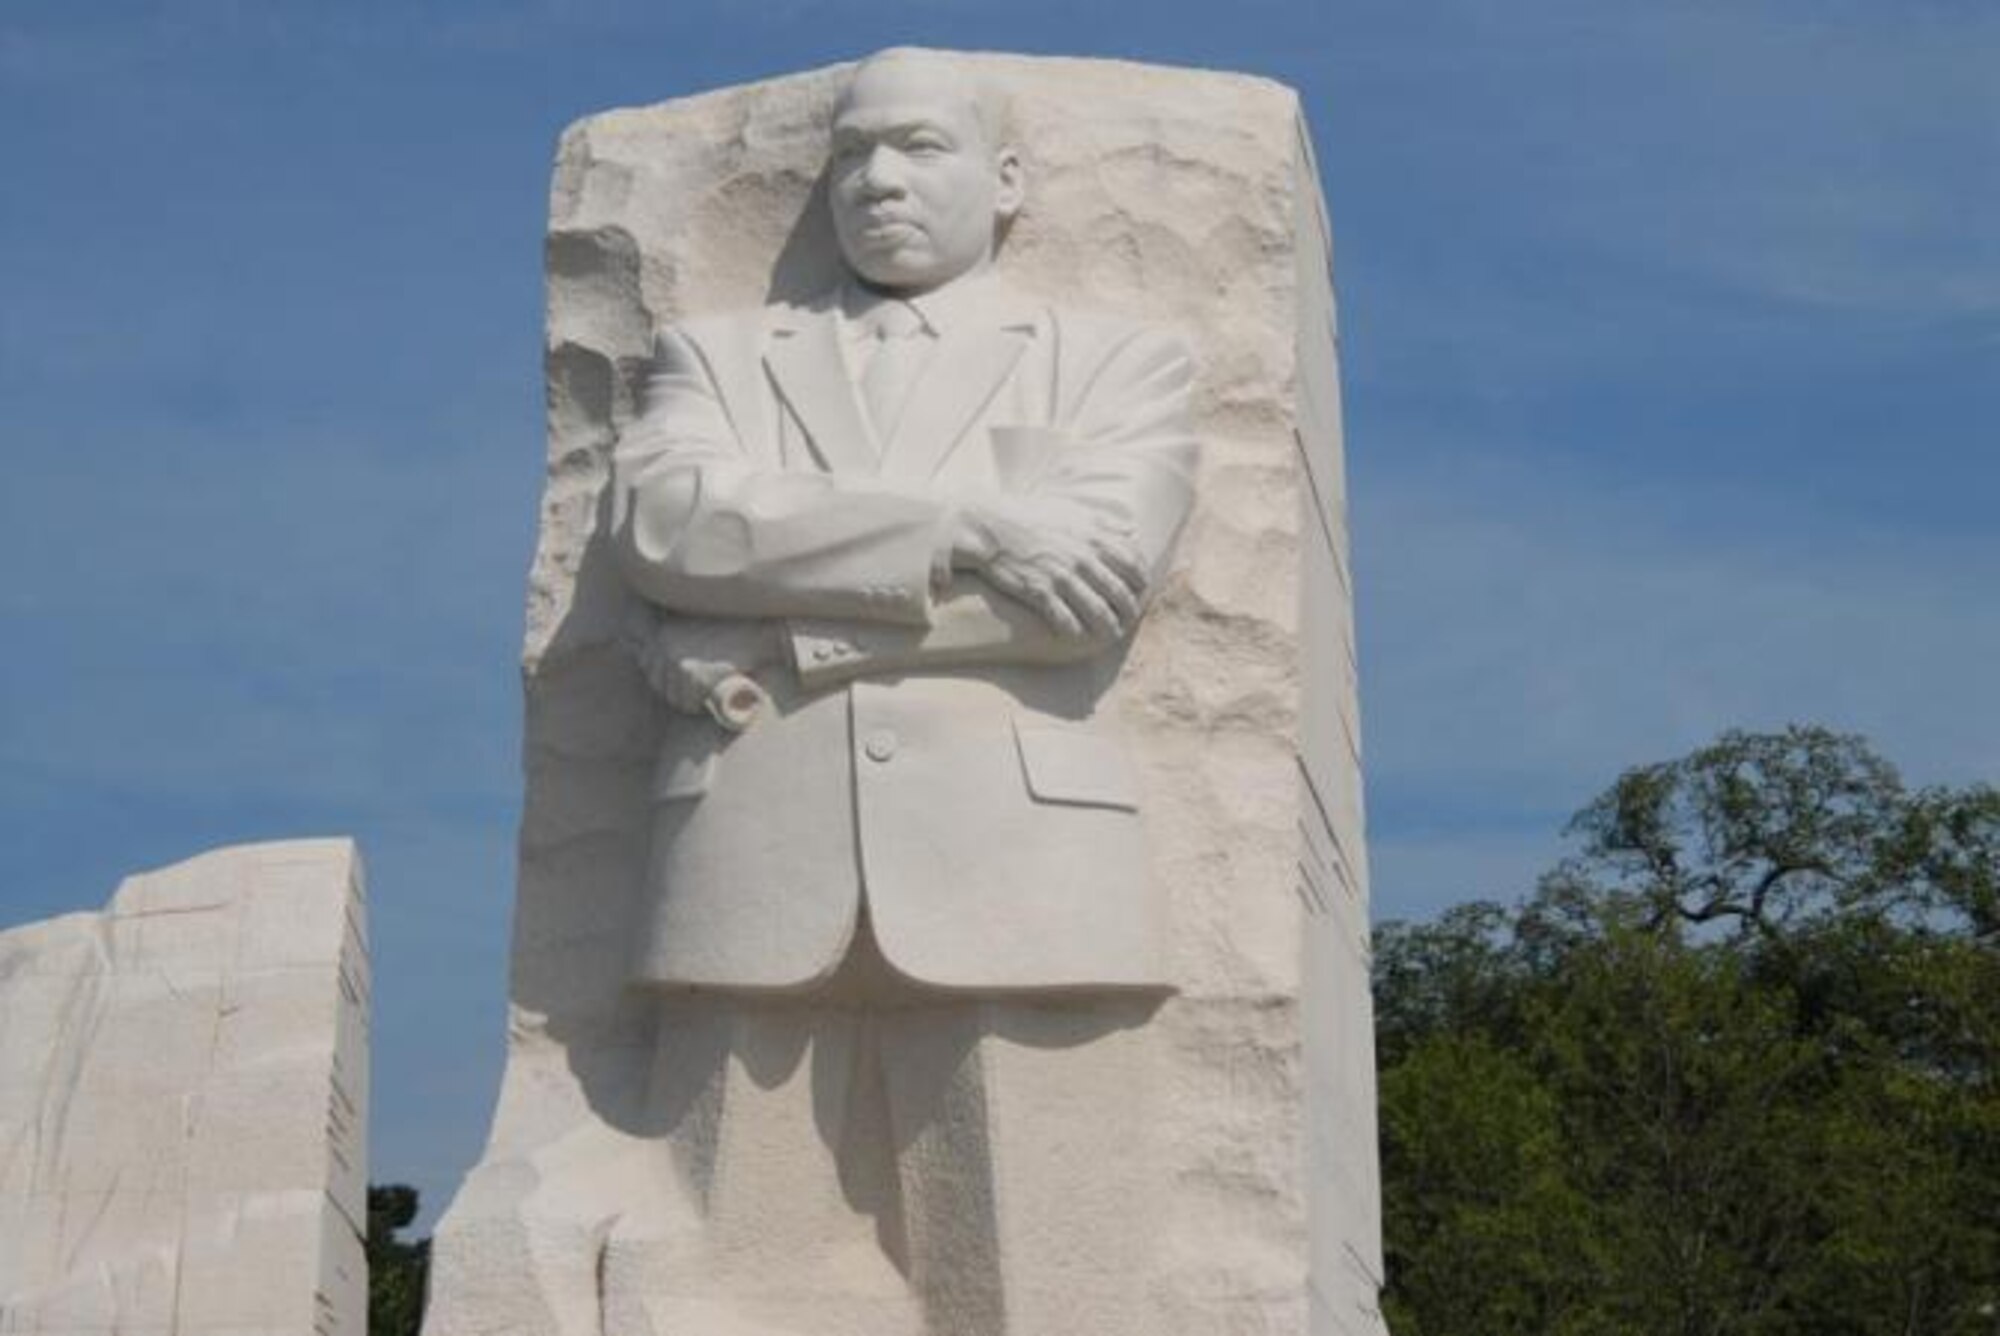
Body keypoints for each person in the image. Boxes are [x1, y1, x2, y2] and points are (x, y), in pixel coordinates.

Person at [605, 48, 1199, 1334]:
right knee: (716, 1281)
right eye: (851, 153)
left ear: (1004, 179)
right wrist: (965, 525)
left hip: (1020, 865)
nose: (876, 180)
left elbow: (1070, 612)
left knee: (1045, 1285)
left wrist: (791, 638)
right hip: (749, 854)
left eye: (918, 148)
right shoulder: (712, 358)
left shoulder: (1113, 364)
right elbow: (667, 528)